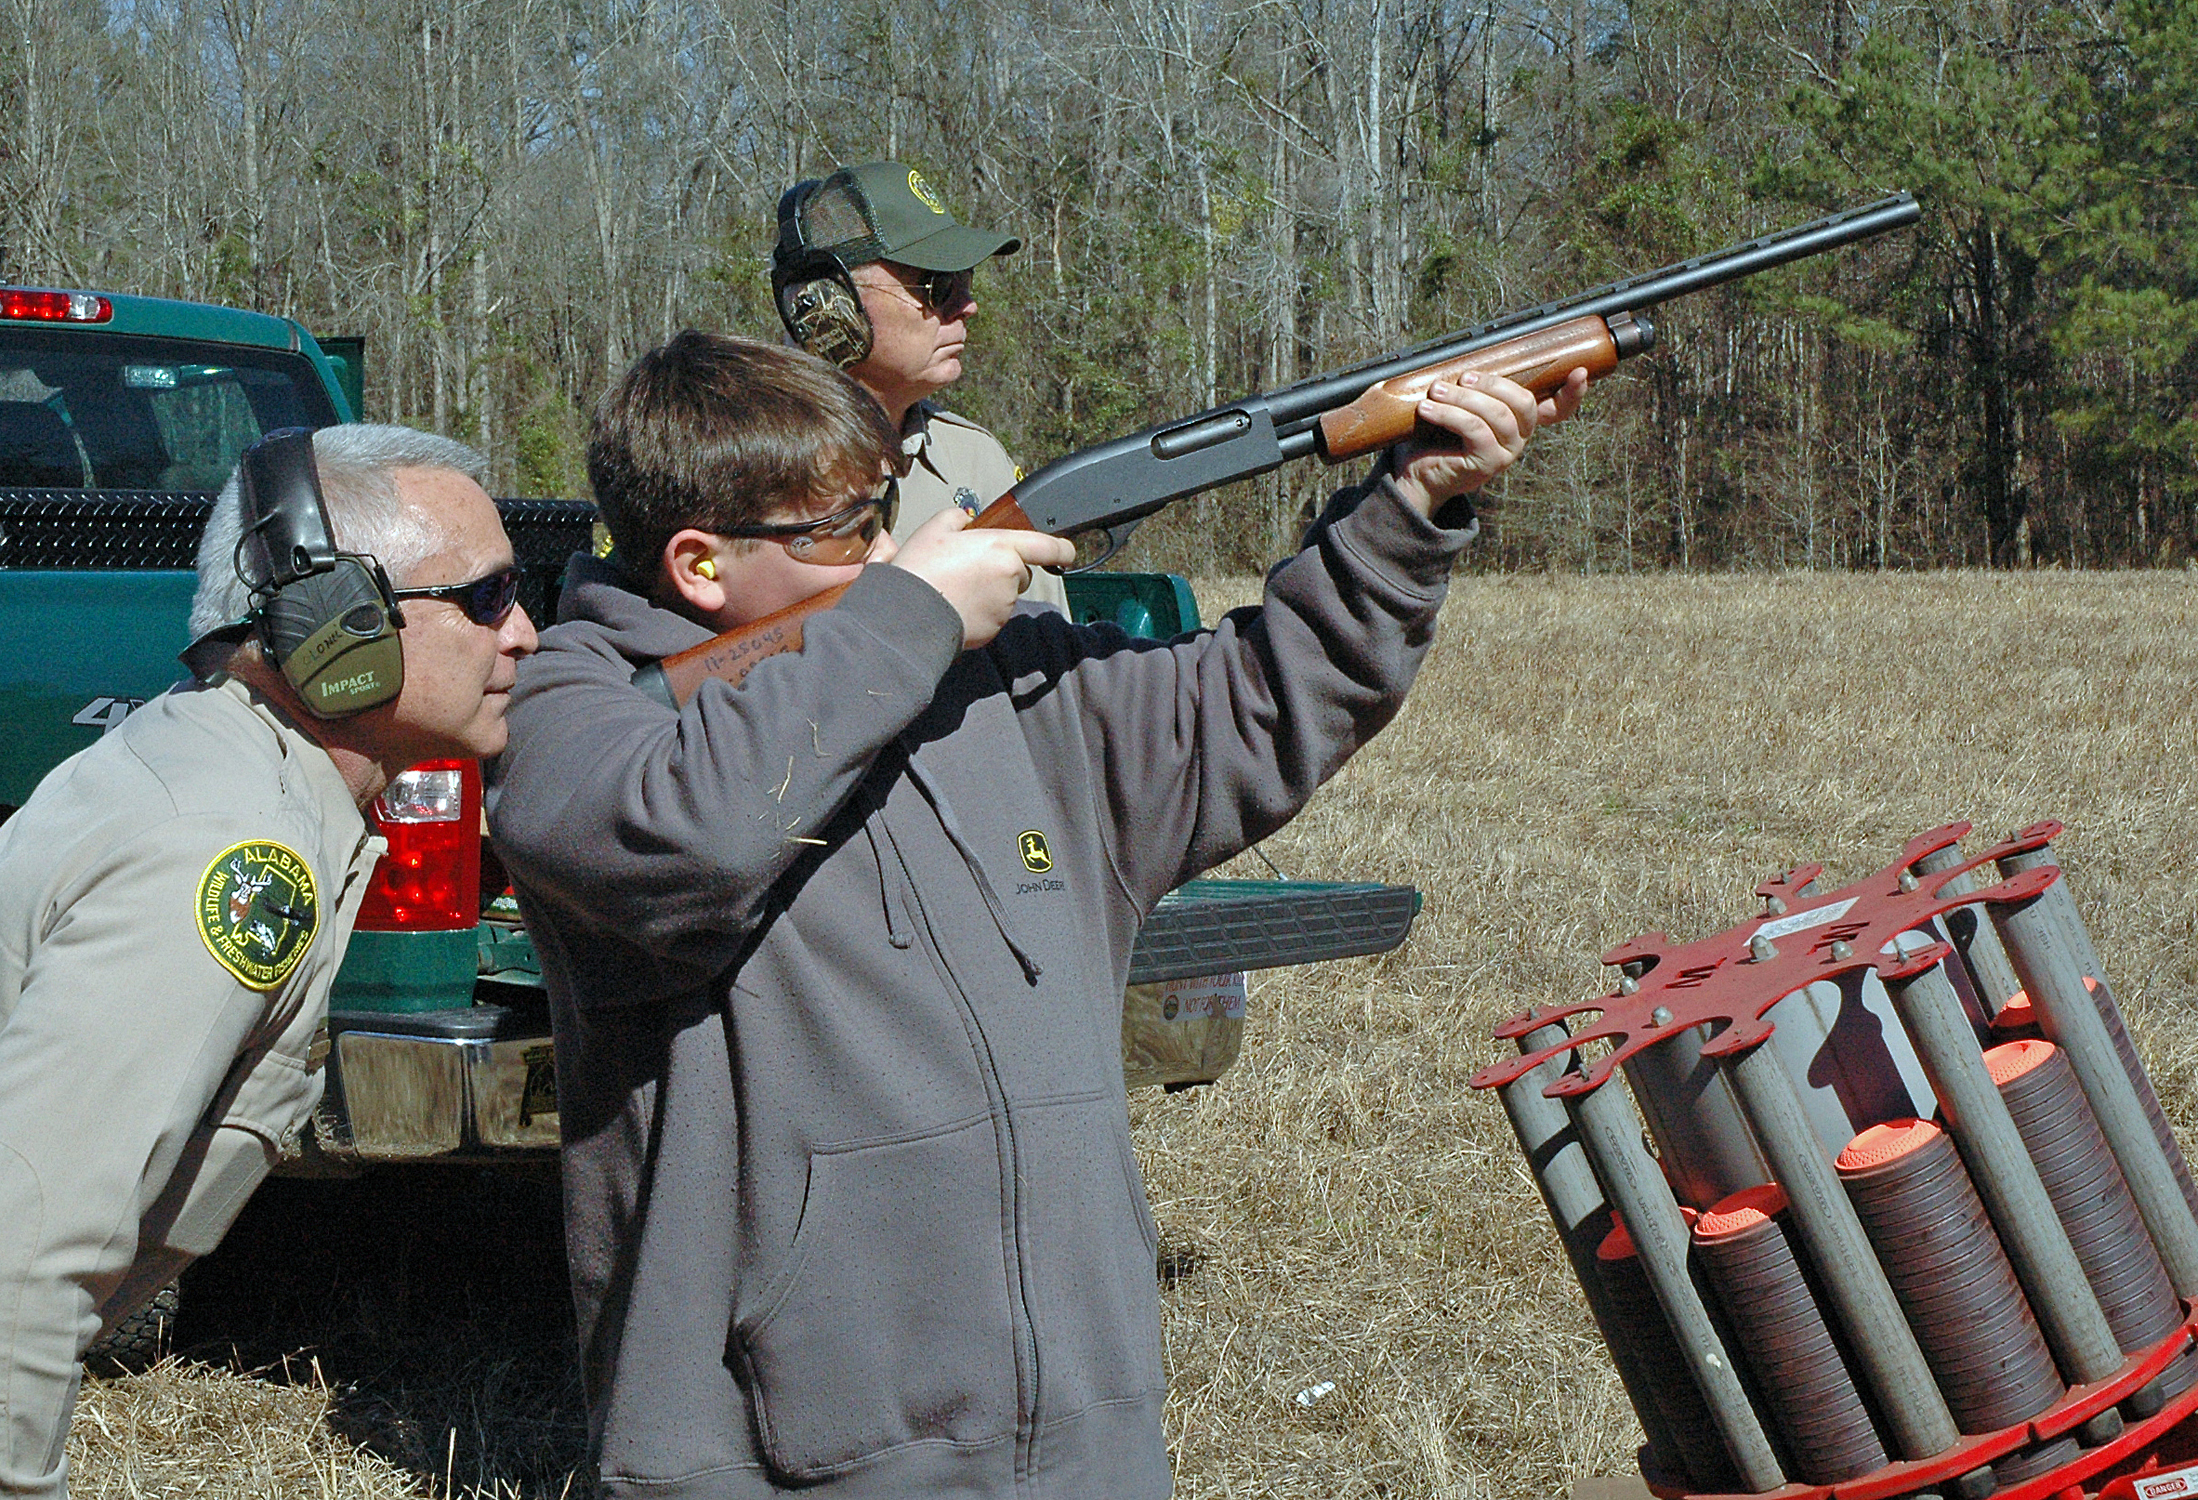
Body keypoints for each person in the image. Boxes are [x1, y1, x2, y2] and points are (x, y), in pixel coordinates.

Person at [486, 328, 1584, 1498]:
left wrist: (1411, 506)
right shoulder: (577, 717)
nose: (896, 550)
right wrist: (901, 622)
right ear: (701, 566)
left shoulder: (1001, 682)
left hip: (1077, 1433)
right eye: (845, 533)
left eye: (885, 511)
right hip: (771, 1457)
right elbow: (681, 839)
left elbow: (1261, 704)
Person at [0, 423, 537, 1497]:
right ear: (332, 622)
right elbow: (21, 1247)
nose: (522, 632)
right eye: (482, 600)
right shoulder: (231, 847)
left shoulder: (232, 769)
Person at [770, 157, 1069, 610]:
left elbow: (1050, 652)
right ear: (826, 304)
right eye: (938, 286)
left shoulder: (975, 459)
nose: (968, 306)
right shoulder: (741, 464)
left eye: (966, 282)